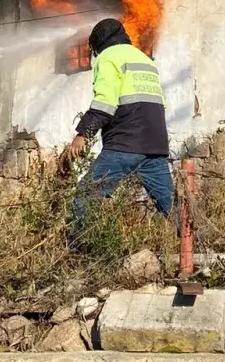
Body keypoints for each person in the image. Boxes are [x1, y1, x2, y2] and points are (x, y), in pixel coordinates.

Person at [65, 18, 172, 235]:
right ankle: (195, 251)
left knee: (85, 197)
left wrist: (82, 135)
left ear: (98, 43)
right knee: (171, 205)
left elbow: (105, 103)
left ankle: (84, 255)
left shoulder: (108, 58)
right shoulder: (144, 59)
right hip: (155, 146)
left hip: (125, 143)